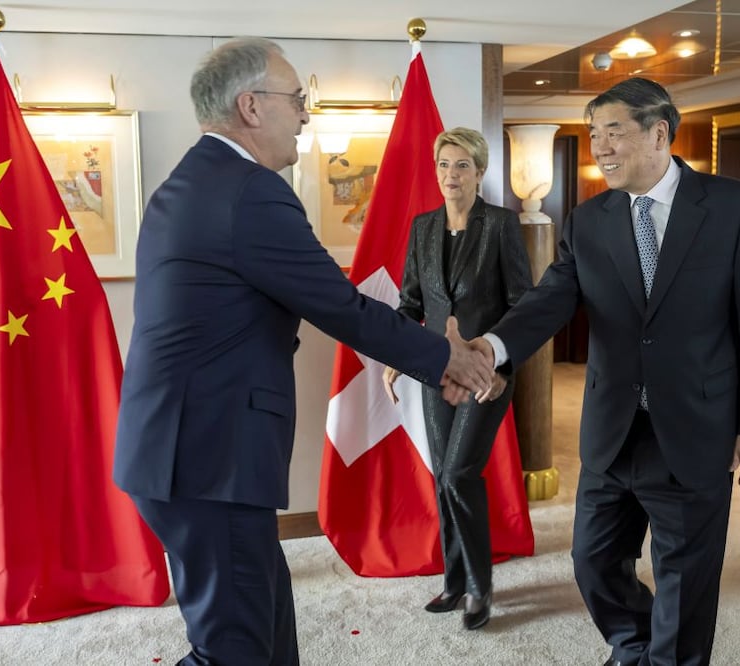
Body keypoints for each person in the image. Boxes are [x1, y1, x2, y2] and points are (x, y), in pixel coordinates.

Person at [112, 38, 493, 666]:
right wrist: (447, 359)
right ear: (251, 106)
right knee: (233, 649)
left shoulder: (192, 180)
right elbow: (340, 307)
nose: (306, 115)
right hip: (208, 460)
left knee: (266, 626)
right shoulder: (247, 192)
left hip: (187, 450)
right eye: (298, 99)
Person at [478, 78, 740, 665]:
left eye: (613, 132)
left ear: (659, 133)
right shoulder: (587, 220)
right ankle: (634, 642)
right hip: (612, 429)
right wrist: (490, 347)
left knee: (685, 579)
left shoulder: (733, 207)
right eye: (594, 136)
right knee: (591, 562)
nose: (600, 147)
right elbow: (548, 300)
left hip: (695, 427)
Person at [382, 127, 532, 631]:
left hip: (485, 373)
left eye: (462, 165)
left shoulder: (502, 224)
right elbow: (410, 303)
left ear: (480, 171)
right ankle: (453, 578)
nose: (451, 174)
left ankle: (479, 586)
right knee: (443, 474)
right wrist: (395, 357)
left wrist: (503, 365)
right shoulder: (423, 228)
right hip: (434, 370)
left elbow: (522, 307)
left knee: (458, 474)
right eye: (444, 164)